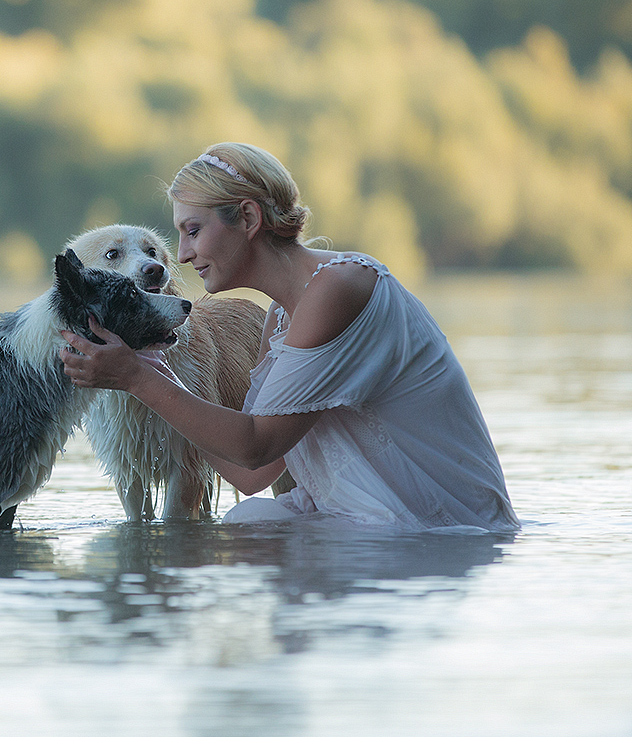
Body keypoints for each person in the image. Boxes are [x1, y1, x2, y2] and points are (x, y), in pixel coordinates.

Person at [60, 142, 519, 533]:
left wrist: (140, 378)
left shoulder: (337, 289)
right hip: (370, 516)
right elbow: (250, 475)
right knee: (225, 547)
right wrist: (154, 374)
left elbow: (254, 450)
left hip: (436, 527)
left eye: (193, 231)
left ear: (248, 218)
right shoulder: (281, 317)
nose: (181, 255)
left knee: (224, 553)